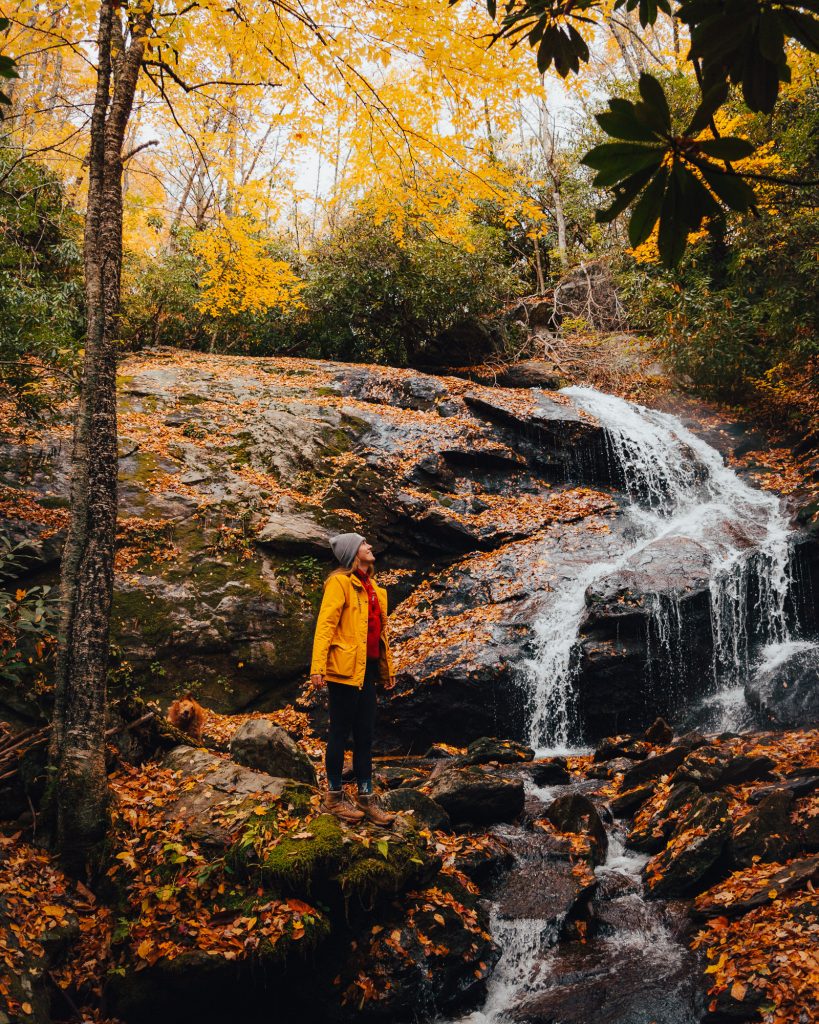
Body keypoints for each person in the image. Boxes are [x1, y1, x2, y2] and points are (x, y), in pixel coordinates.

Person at [310, 532, 397, 826]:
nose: (370, 546)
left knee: (365, 735)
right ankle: (333, 797)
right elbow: (326, 625)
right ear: (352, 554)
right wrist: (317, 667)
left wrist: (386, 671)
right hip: (344, 670)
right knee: (339, 732)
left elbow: (378, 635)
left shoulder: (373, 587)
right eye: (363, 544)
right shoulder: (340, 583)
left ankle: (366, 797)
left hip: (367, 671)